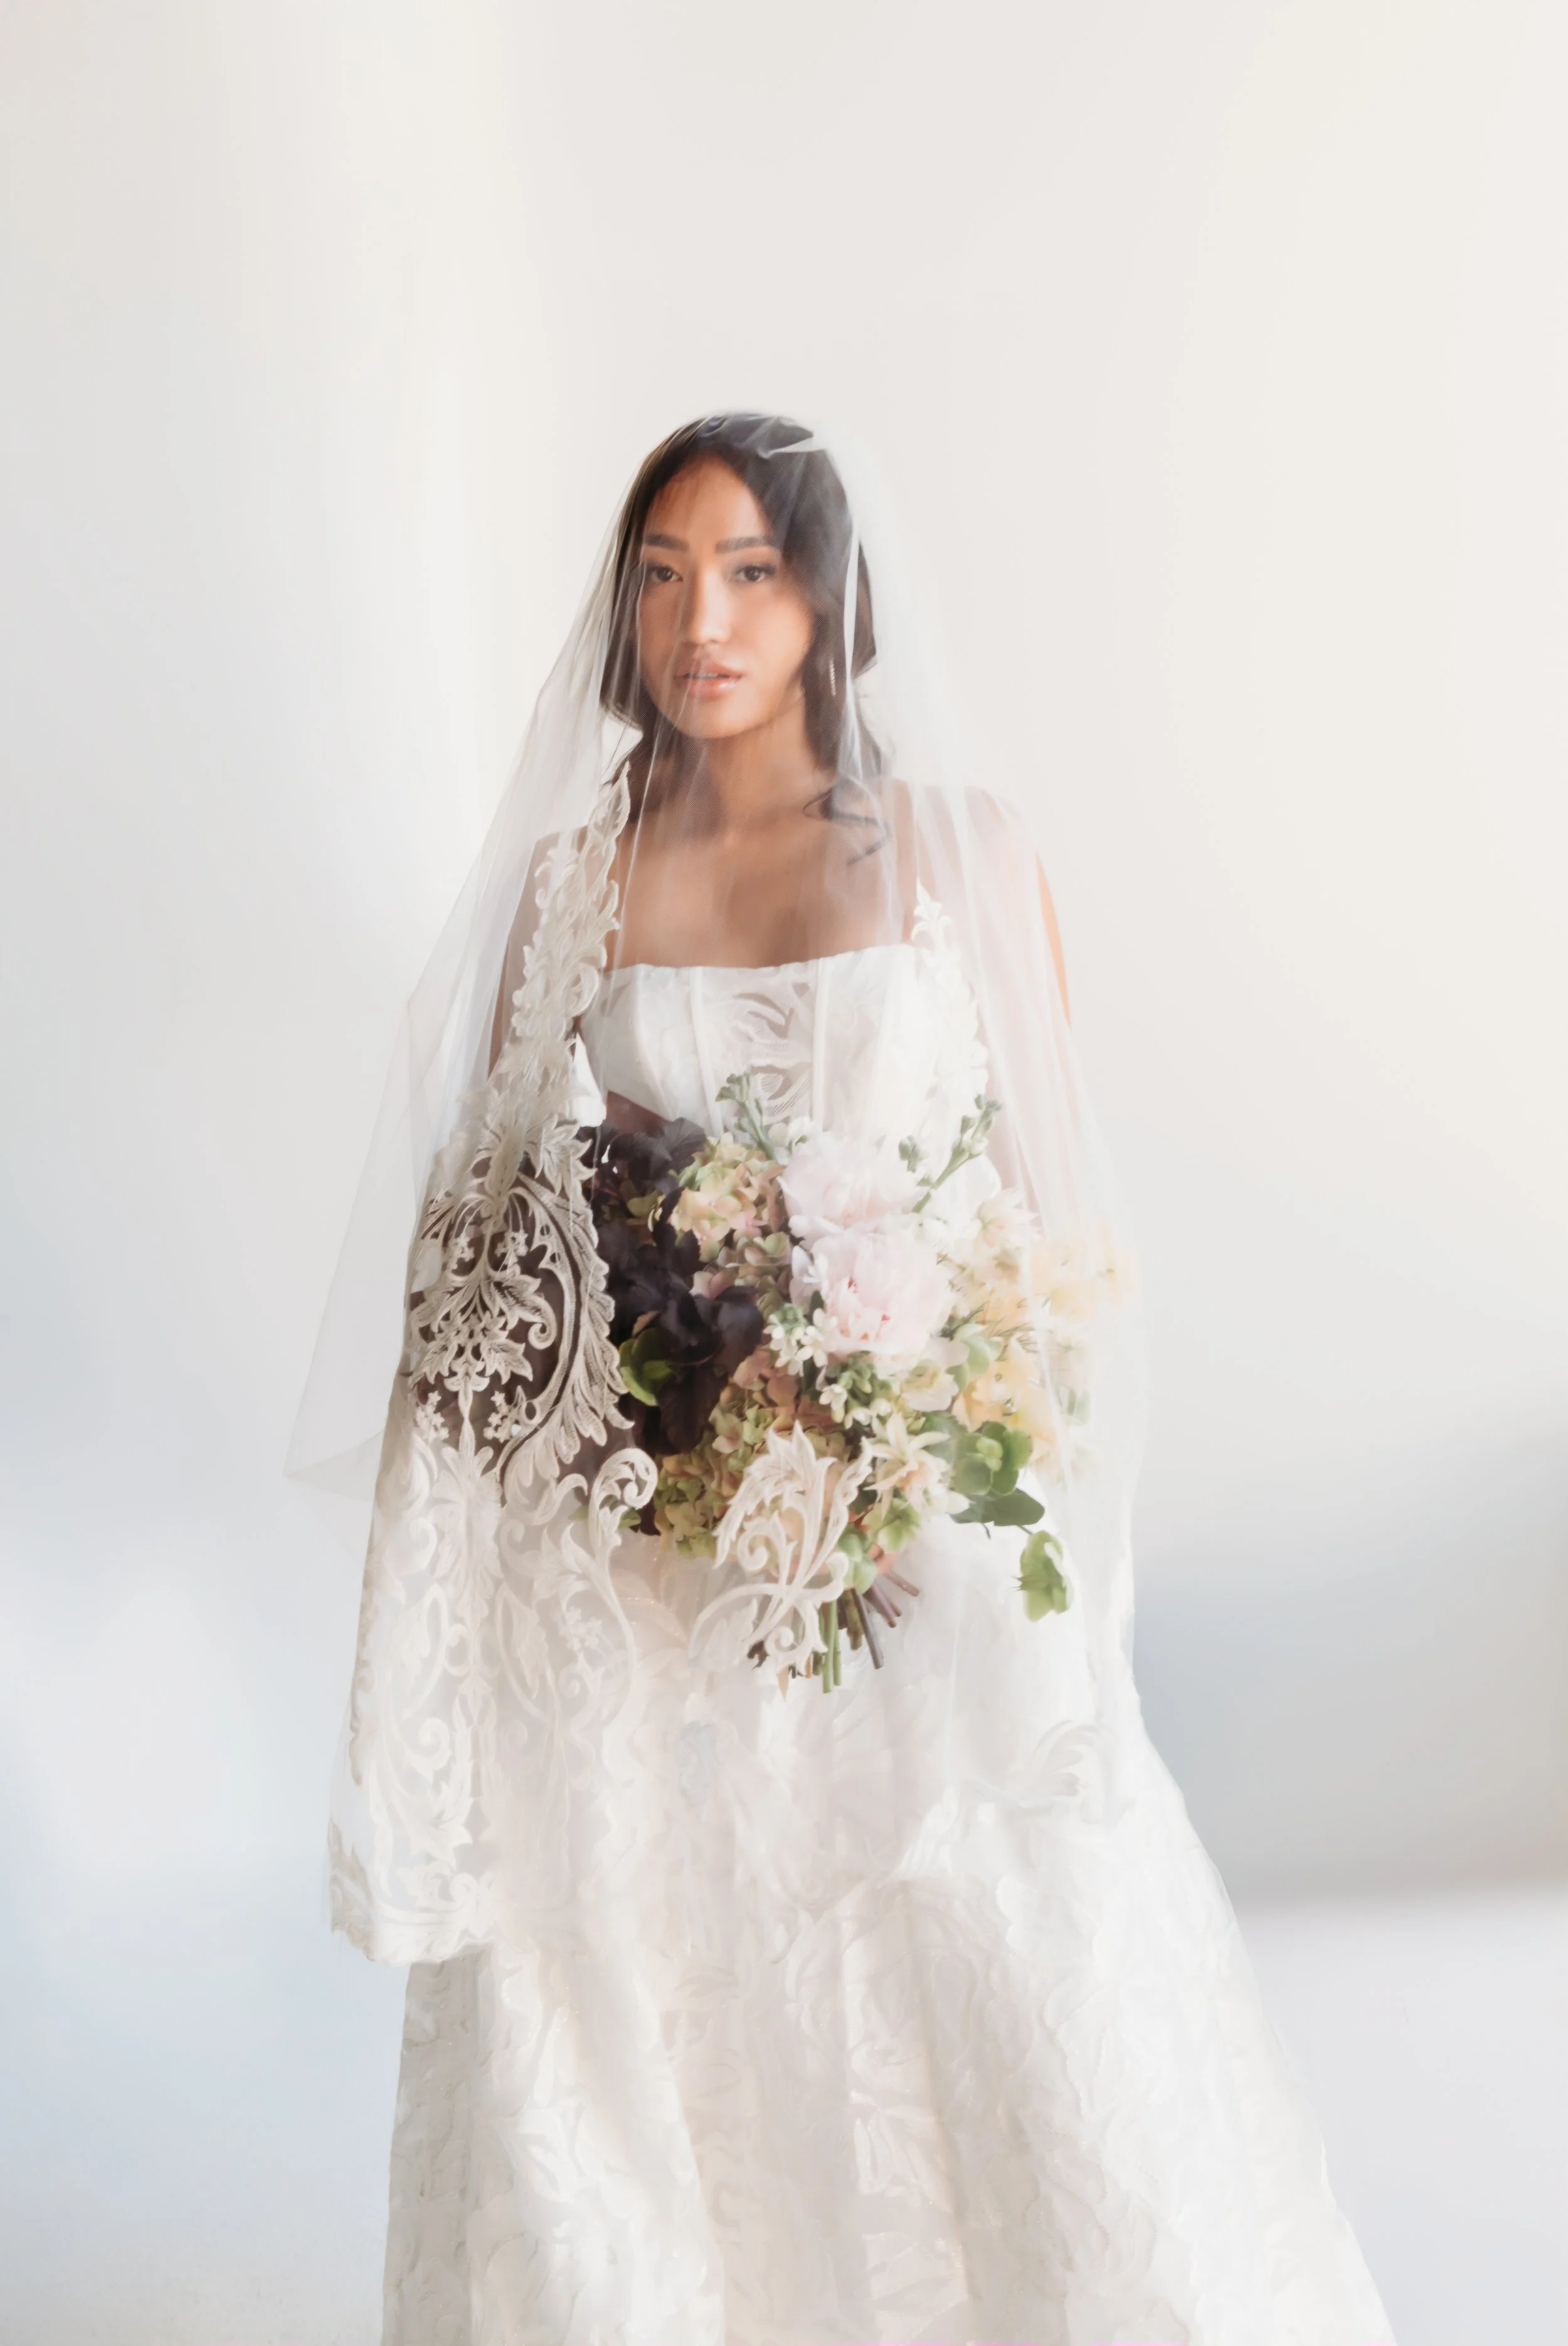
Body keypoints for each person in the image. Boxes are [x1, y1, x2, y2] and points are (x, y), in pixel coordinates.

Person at [298, 415, 1392, 2344]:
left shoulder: (959, 852)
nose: (696, 617)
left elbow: (1046, 1234)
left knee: (988, 1961)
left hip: (917, 1529)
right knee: (644, 1996)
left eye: (745, 570)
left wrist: (926, 1430)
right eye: (657, 573)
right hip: (645, 1576)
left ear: (824, 598)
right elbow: (499, 1225)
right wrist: (633, 1416)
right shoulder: (574, 880)